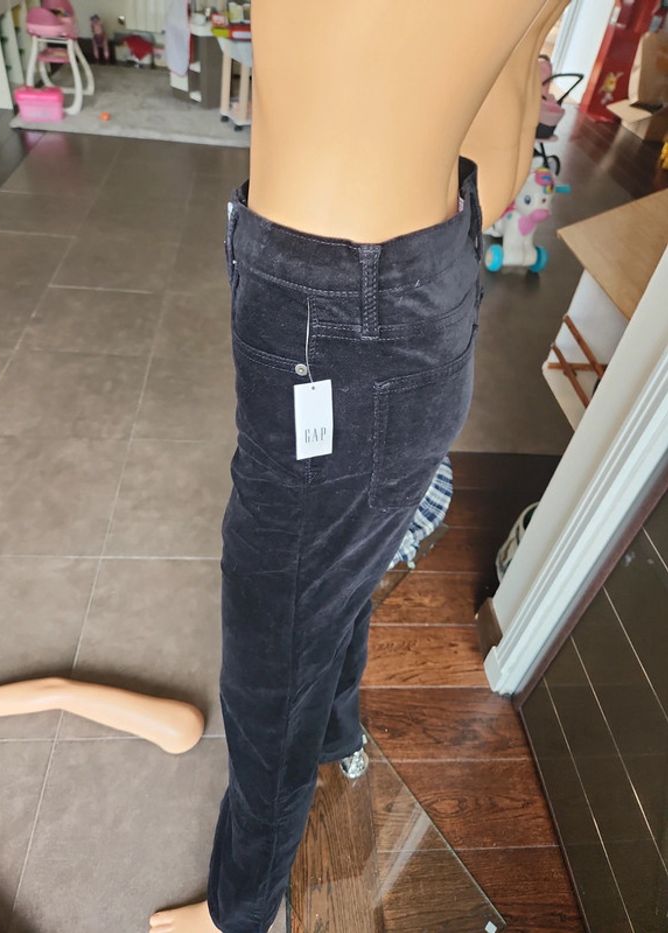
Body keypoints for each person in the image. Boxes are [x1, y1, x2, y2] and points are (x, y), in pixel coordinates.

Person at [149, 2, 571, 931]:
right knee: (327, 569)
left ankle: (239, 909)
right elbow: (496, 172)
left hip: (345, 306)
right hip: (402, 282)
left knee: (276, 626)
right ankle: (335, 728)